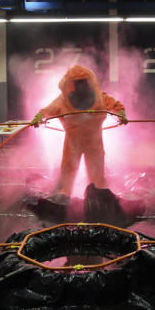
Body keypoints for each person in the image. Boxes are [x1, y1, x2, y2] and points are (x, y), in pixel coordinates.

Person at [30, 65, 127, 207]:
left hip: (94, 143)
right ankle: (63, 201)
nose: (81, 85)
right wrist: (38, 117)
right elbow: (46, 110)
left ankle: (98, 201)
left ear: (89, 82)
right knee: (68, 171)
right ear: (71, 84)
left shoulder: (99, 97)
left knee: (97, 175)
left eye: (83, 81)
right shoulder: (63, 100)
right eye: (77, 82)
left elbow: (117, 106)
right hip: (72, 143)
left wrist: (122, 115)